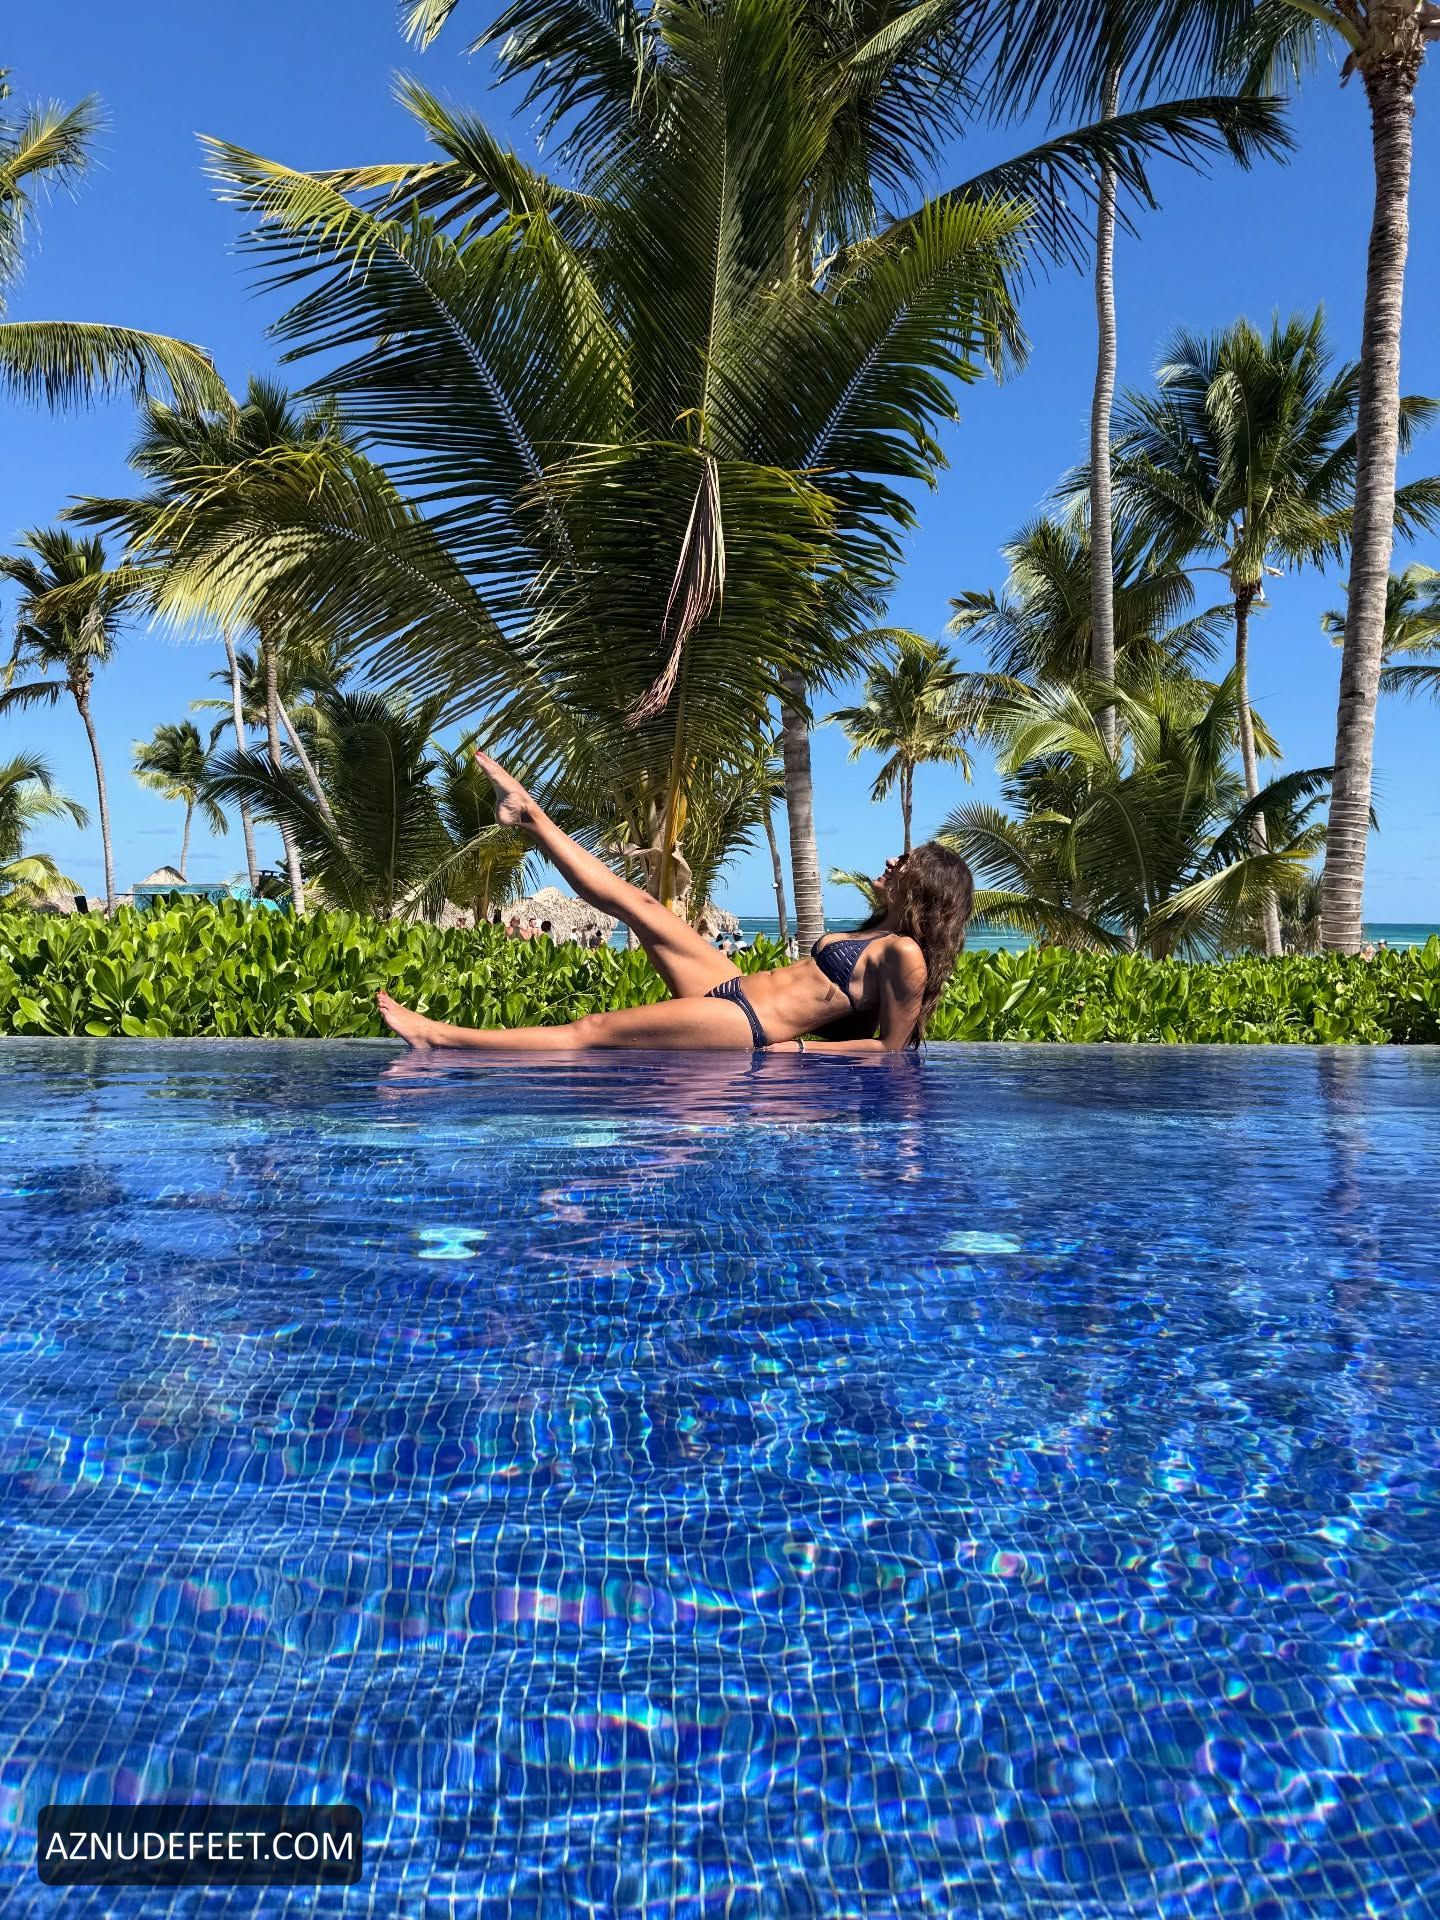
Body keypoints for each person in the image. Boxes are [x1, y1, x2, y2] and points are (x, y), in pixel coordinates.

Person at [377, 751, 973, 1054]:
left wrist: (800, 1057)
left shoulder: (906, 955)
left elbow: (889, 1052)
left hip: (752, 1026)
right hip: (732, 986)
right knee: (641, 904)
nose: (892, 862)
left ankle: (442, 1038)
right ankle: (531, 815)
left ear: (927, 886)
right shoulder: (875, 931)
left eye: (906, 862)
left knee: (593, 1031)